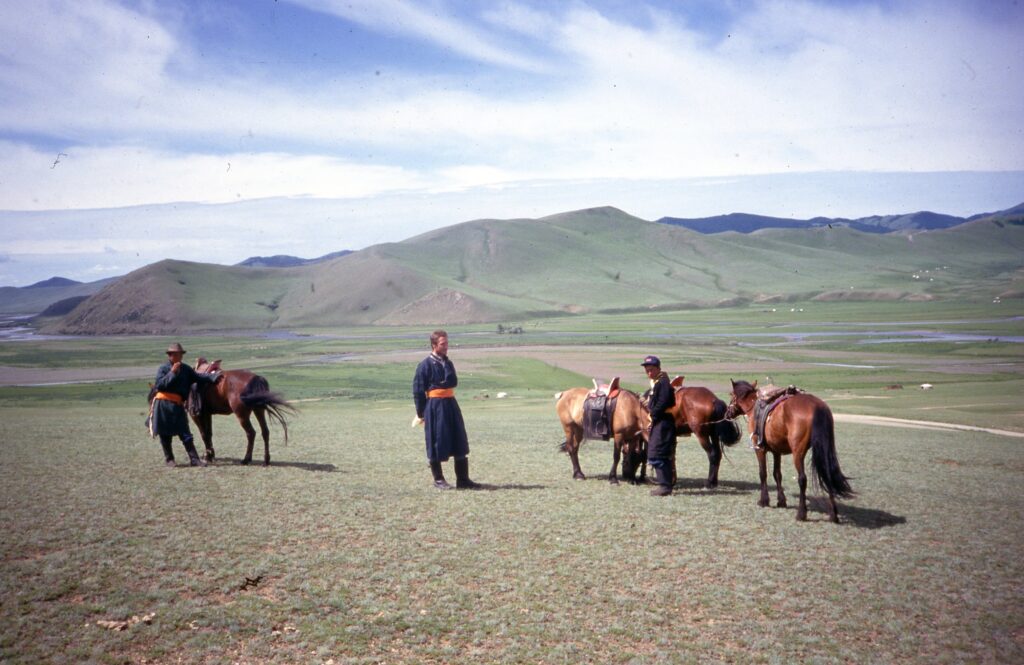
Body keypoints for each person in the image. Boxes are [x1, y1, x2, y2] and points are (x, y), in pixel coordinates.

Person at [412, 330, 480, 489]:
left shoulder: (448, 363)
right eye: (443, 344)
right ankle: (438, 479)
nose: (446, 347)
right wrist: (422, 413)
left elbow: (453, 382)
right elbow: (418, 391)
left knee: (459, 438)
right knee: (436, 440)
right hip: (435, 407)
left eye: (447, 343)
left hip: (451, 404)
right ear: (434, 345)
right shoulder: (424, 365)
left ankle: (463, 480)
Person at [150, 342, 219, 467]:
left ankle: (194, 460)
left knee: (185, 433)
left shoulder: (186, 369)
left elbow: (199, 378)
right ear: (170, 355)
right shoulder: (163, 369)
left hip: (178, 405)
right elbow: (159, 385)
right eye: (177, 354)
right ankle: (169, 459)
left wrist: (214, 378)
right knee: (165, 434)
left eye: (181, 354)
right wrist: (172, 373)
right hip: (163, 405)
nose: (180, 357)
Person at [642, 355, 677, 496]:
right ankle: (666, 485)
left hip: (663, 422)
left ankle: (664, 486)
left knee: (656, 454)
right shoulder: (659, 382)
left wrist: (653, 415)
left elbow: (662, 403)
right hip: (661, 421)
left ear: (658, 369)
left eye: (652, 370)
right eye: (647, 370)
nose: (649, 373)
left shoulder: (662, 383)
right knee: (661, 454)